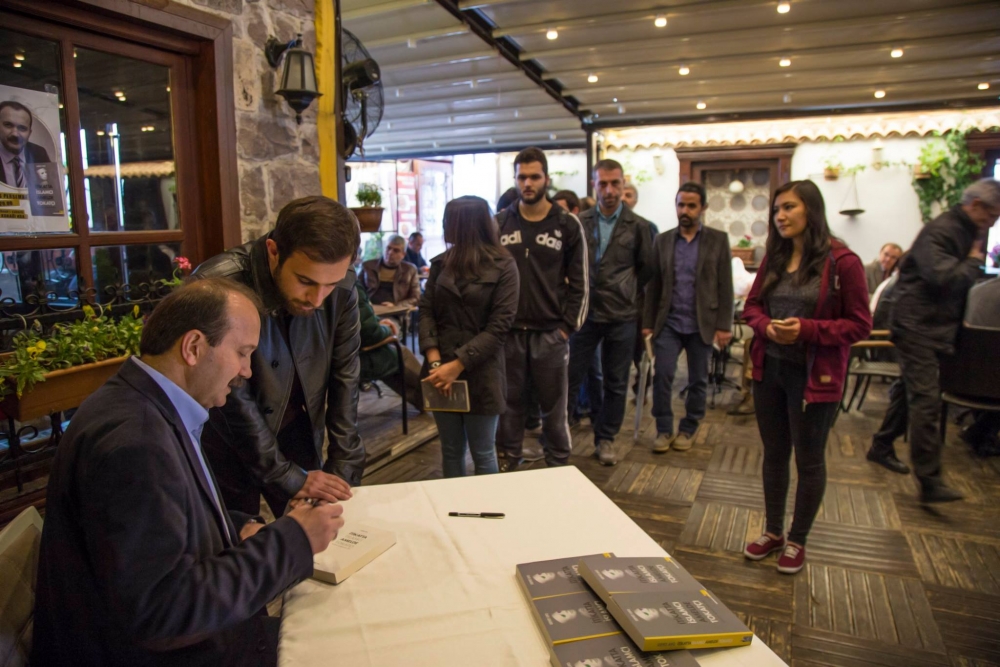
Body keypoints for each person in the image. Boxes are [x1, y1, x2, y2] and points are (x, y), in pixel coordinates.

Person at [32, 279, 344, 667]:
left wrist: (237, 528)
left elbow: (162, 521)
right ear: (194, 347)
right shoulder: (136, 442)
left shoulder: (143, 403)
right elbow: (164, 612)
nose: (247, 371)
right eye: (243, 353)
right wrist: (294, 538)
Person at [194, 196, 363, 518]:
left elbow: (346, 374)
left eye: (330, 284)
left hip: (296, 428)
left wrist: (344, 465)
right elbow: (232, 396)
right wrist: (285, 476)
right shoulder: (217, 285)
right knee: (236, 543)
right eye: (305, 281)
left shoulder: (343, 287)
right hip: (225, 440)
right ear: (273, 251)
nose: (317, 299)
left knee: (323, 532)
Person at [742, 180, 871, 574]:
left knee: (810, 460)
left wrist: (808, 330)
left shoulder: (843, 262)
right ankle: (774, 531)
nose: (780, 216)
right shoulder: (774, 258)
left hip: (816, 378)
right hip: (770, 370)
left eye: (789, 208)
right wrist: (765, 327)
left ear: (810, 210)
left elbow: (860, 324)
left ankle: (798, 539)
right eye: (777, 209)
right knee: (775, 454)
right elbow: (751, 307)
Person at [890, 178, 998, 502]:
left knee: (912, 391)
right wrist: (975, 261)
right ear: (976, 205)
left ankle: (881, 444)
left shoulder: (962, 231)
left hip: (928, 324)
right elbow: (943, 278)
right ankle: (929, 479)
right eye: (992, 215)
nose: (993, 222)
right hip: (917, 325)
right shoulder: (945, 230)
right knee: (926, 400)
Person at [495, 147, 589, 472]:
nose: (528, 183)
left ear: (546, 179)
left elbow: (581, 284)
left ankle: (559, 469)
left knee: (554, 410)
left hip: (550, 335)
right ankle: (509, 465)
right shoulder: (500, 223)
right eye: (522, 177)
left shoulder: (567, 224)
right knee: (508, 408)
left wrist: (566, 329)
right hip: (509, 336)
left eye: (534, 176)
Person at [420, 196, 519, 477]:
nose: (443, 226)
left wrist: (457, 365)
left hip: (482, 371)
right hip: (439, 372)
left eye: (447, 221)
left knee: (483, 452)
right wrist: (435, 361)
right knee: (450, 450)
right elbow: (426, 311)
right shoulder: (441, 264)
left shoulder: (504, 266)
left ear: (462, 225)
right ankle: (454, 515)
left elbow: (499, 327)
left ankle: (489, 514)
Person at [569, 159, 654, 466]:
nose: (609, 190)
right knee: (570, 375)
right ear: (594, 185)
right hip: (584, 314)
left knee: (616, 381)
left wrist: (626, 290)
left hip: (622, 313)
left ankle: (606, 438)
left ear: (623, 184)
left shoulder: (640, 226)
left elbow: (647, 271)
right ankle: (561, 431)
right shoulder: (580, 221)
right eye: (602, 184)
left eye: (615, 183)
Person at [642, 182, 734, 453]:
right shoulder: (663, 240)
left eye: (691, 206)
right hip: (669, 322)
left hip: (702, 323)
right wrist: (647, 322)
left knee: (698, 380)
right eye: (681, 205)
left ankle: (689, 427)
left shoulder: (718, 240)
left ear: (703, 208)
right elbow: (654, 285)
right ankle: (663, 429)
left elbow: (724, 285)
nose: (685, 210)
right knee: (663, 375)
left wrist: (724, 326)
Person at [356, 280, 423, 411]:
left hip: (326, 360)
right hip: (354, 360)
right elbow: (370, 333)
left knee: (390, 351)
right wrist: (389, 331)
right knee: (398, 351)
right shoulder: (349, 285)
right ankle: (434, 398)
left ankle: (424, 399)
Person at [960, 277, 1000, 456]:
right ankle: (980, 432)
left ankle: (981, 433)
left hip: (962, 378)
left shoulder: (974, 290)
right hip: (992, 383)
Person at [0, 100, 51, 188]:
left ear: (29, 133)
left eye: (22, 128)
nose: (15, 134)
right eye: (8, 125)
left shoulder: (39, 153)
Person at [360, 234, 420, 308]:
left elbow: (416, 298)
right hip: (370, 310)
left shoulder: (410, 270)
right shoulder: (368, 266)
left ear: (403, 254)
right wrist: (365, 304)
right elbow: (356, 290)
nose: (390, 252)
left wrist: (396, 306)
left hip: (395, 313)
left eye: (396, 250)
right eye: (388, 248)